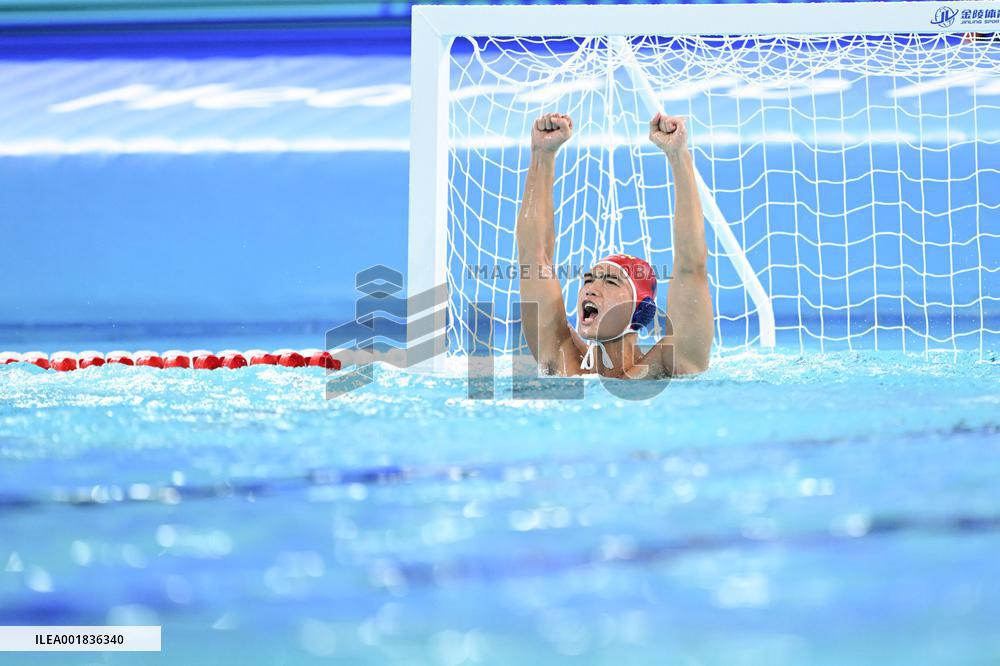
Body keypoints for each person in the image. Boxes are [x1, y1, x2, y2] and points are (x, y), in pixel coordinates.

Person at [515, 112, 713, 378]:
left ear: (640, 307)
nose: (591, 290)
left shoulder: (667, 367)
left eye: (610, 281)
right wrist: (542, 154)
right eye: (588, 280)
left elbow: (691, 266)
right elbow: (534, 259)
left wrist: (678, 155)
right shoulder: (563, 359)